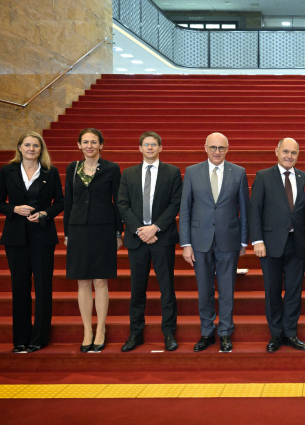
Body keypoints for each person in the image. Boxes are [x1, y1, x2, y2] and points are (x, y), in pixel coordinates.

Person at [0, 131, 64, 353]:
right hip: (15, 237)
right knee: (19, 288)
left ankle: (39, 338)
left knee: (43, 288)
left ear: (41, 149)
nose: (31, 149)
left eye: (36, 145)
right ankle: (20, 340)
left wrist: (44, 213)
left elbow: (60, 203)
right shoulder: (7, 171)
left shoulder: (50, 172)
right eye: (27, 145)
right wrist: (13, 208)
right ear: (19, 147)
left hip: (42, 236)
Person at [179, 132, 249, 353]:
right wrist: (186, 243)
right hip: (199, 242)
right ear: (205, 148)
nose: (217, 152)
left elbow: (244, 210)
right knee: (204, 289)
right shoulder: (192, 172)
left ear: (227, 149)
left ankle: (226, 333)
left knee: (227, 289)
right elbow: (185, 210)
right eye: (213, 147)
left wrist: (245, 241)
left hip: (229, 240)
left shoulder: (238, 172)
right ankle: (207, 332)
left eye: (221, 148)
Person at [248, 138, 305, 353]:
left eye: (294, 152)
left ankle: (291, 333)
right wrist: (257, 241)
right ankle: (276, 334)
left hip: (298, 243)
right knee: (273, 290)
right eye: (285, 151)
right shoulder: (263, 176)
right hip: (270, 244)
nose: (289, 156)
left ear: (298, 154)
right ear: (277, 151)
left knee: (294, 291)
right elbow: (254, 211)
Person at [117, 132, 183, 352]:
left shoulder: (172, 172)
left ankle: (169, 333)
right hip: (137, 240)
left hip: (161, 238)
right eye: (146, 144)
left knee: (167, 289)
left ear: (160, 148)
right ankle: (135, 334)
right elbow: (123, 204)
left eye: (154, 145)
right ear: (140, 148)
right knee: (137, 289)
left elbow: (175, 204)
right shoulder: (128, 173)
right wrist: (140, 230)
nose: (150, 148)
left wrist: (155, 228)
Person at [64, 128, 123, 353]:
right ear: (79, 145)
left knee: (100, 282)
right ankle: (87, 329)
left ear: (101, 145)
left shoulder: (111, 168)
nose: (89, 146)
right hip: (78, 229)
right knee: (82, 282)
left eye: (94, 142)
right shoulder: (72, 168)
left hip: (103, 229)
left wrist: (119, 233)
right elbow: (68, 201)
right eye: (85, 142)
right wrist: (67, 233)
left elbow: (117, 201)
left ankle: (100, 329)